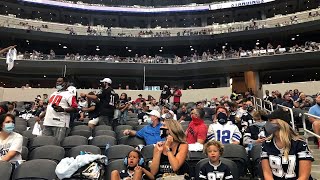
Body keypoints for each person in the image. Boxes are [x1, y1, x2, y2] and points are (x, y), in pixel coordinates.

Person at [261, 108, 314, 180]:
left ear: (280, 123)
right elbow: (267, 174)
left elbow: (304, 177)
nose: (267, 123)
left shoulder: (300, 144)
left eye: (270, 120)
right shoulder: (266, 144)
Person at [39, 77, 78, 143]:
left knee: (56, 144)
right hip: (48, 122)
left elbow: (75, 108)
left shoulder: (69, 95)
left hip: (60, 123)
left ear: (66, 83)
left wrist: (63, 109)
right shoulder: (53, 94)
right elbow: (49, 106)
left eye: (60, 81)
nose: (57, 83)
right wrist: (42, 115)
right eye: (57, 81)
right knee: (44, 143)